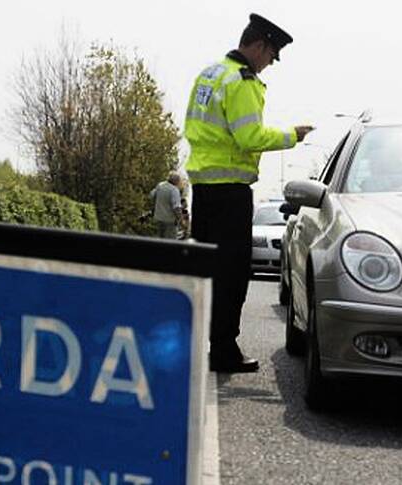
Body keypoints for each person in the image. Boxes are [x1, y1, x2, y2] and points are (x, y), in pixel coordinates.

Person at [184, 13, 313, 373]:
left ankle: (199, 342)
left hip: (203, 187)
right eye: (271, 56)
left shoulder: (210, 73)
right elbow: (249, 138)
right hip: (230, 192)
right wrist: (292, 136)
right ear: (258, 46)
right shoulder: (243, 82)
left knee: (208, 270)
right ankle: (223, 350)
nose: (269, 64)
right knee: (232, 273)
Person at [149, 171, 184, 239]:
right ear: (176, 181)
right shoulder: (174, 190)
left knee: (159, 241)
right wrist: (181, 221)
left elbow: (151, 195)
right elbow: (176, 208)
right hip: (169, 222)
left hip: (158, 219)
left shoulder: (160, 185)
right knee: (169, 244)